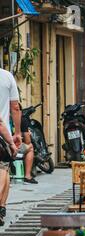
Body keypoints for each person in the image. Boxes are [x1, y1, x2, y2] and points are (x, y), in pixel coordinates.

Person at [0, 67, 22, 225]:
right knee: (3, 168)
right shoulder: (7, 76)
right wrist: (17, 133)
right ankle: (1, 206)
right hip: (3, 133)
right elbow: (15, 107)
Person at [19, 105, 37, 184]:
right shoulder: (22, 120)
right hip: (9, 149)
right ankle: (27, 176)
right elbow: (28, 141)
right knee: (30, 147)